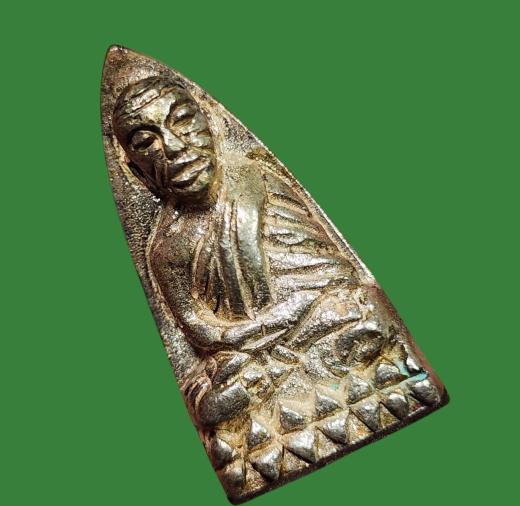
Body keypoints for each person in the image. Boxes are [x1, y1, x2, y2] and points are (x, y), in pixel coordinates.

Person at [113, 77, 392, 427]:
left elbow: (333, 275)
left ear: (211, 125)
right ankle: (285, 381)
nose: (173, 146)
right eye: (146, 142)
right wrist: (262, 328)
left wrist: (299, 315)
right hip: (248, 350)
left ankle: (284, 380)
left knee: (369, 313)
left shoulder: (253, 178)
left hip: (321, 320)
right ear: (137, 170)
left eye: (181, 120)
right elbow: (197, 328)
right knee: (210, 409)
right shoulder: (167, 248)